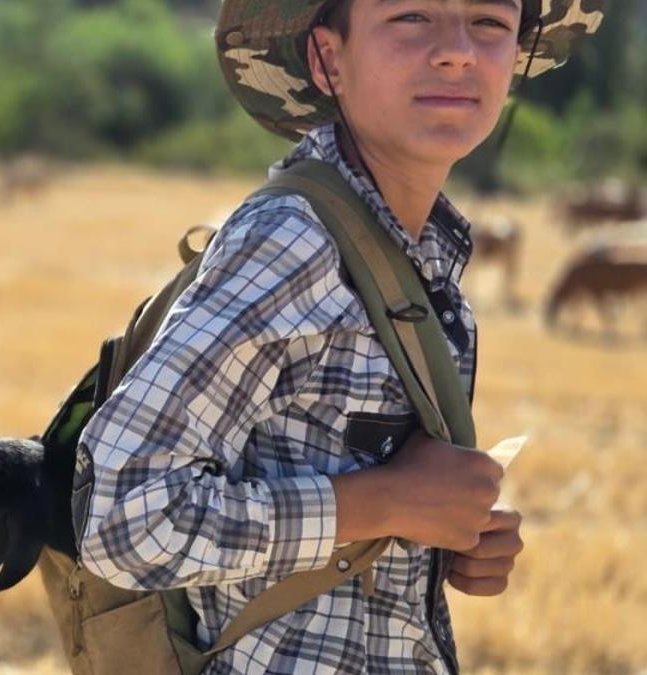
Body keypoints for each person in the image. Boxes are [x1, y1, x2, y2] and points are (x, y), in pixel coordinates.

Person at [73, 1, 604, 673]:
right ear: (328, 59)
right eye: (412, 16)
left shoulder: (421, 257)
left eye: (490, 23)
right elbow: (121, 517)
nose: (457, 52)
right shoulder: (294, 242)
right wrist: (389, 500)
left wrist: (445, 536)